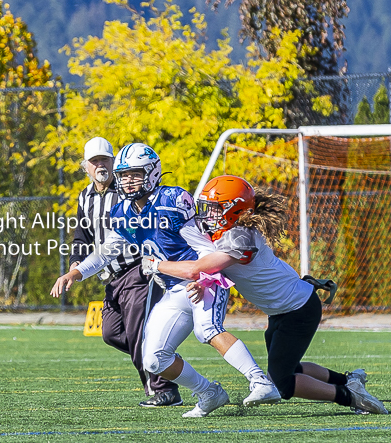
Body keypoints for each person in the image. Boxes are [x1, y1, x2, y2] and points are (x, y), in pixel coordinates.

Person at [52, 143, 280, 418]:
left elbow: (205, 248)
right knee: (153, 359)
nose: (128, 180)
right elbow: (107, 252)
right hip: (172, 288)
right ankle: (209, 392)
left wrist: (204, 279)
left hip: (201, 280)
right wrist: (76, 272)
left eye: (135, 174)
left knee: (206, 329)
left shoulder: (172, 200)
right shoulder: (124, 211)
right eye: (124, 175)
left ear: (152, 172)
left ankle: (260, 381)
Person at [142, 175, 387, 415]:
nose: (208, 214)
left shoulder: (240, 235)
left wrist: (156, 265)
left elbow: (196, 268)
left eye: (215, 208)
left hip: (298, 309)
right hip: (283, 309)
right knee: (285, 367)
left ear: (234, 210)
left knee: (283, 384)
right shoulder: (226, 232)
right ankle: (348, 380)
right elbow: (211, 271)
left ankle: (352, 397)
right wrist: (203, 283)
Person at [70, 137, 182, 407]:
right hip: (110, 277)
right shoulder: (85, 197)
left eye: (105, 160)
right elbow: (81, 236)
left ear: (113, 161)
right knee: (111, 332)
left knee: (136, 332)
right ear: (85, 166)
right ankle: (163, 358)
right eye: (94, 161)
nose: (100, 165)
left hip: (137, 271)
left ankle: (164, 388)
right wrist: (76, 263)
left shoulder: (127, 192)